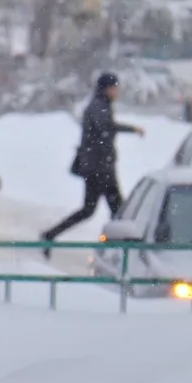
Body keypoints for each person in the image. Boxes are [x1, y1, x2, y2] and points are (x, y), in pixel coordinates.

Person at [41, 72, 145, 257]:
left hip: (97, 166)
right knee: (118, 211)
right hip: (99, 168)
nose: (118, 91)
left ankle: (51, 234)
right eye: (115, 87)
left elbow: (106, 129)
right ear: (107, 89)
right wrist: (132, 129)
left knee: (93, 210)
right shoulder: (99, 107)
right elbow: (106, 129)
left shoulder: (101, 105)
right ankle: (121, 252)